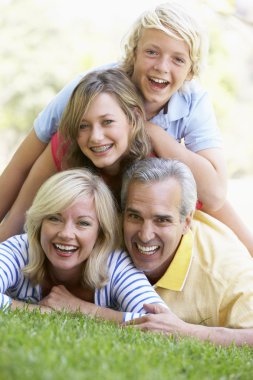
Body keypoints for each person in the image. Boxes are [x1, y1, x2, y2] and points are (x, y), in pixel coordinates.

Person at [1, 1, 253, 254]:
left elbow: (215, 196)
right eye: (152, 52)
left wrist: (153, 133)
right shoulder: (90, 92)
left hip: (139, 198)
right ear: (133, 54)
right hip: (89, 191)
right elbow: (22, 166)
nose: (162, 67)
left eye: (178, 59)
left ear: (191, 70)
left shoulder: (192, 103)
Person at [0, 68, 151, 240]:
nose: (96, 137)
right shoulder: (65, 147)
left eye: (107, 122)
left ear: (134, 117)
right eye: (83, 126)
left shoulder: (154, 164)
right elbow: (15, 222)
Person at [0, 167, 168, 321]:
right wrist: (39, 311)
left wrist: (81, 309)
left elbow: (162, 321)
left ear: (100, 233)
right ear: (39, 223)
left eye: (83, 223)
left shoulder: (115, 264)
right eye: (54, 218)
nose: (66, 234)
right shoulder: (19, 250)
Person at [120, 157, 253, 346]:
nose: (145, 235)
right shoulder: (111, 237)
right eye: (135, 216)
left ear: (187, 222)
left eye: (162, 220)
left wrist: (186, 331)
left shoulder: (226, 272)